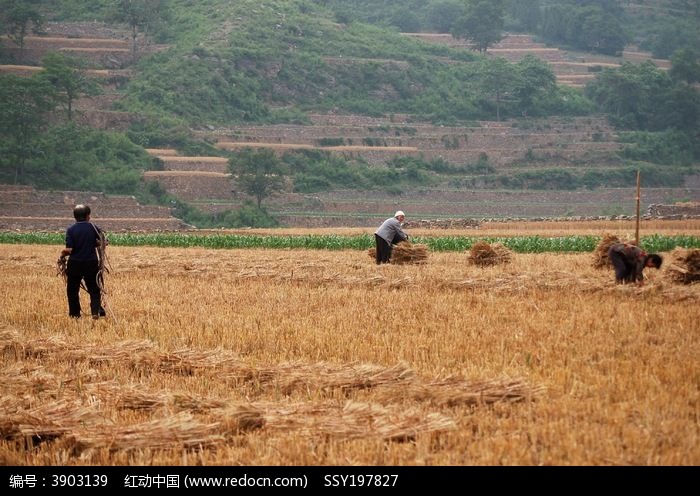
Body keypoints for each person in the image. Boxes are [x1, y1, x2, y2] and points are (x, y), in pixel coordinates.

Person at [59, 204, 106, 319]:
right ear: (87, 216)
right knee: (94, 289)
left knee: (72, 290)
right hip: (91, 262)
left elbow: (69, 249)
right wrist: (92, 244)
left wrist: (62, 255)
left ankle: (75, 315)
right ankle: (95, 312)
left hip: (75, 264)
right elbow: (103, 242)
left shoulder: (71, 229)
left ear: (75, 216)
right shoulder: (93, 227)